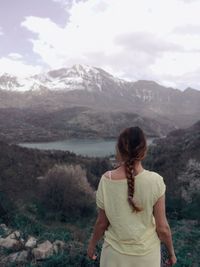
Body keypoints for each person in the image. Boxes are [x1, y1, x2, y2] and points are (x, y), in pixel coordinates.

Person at [87, 126, 177, 267]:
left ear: (119, 150)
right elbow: (162, 228)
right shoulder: (156, 181)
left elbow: (102, 223)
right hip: (146, 257)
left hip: (113, 256)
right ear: (144, 151)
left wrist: (91, 246)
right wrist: (171, 253)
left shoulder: (106, 180)